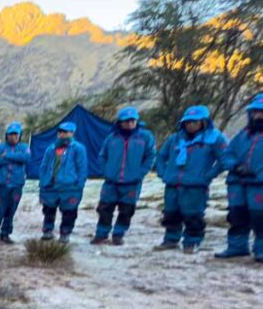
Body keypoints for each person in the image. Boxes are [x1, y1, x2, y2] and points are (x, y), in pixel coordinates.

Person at [155, 105, 228, 254]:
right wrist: (163, 173)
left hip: (196, 185)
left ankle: (192, 241)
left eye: (195, 122)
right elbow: (161, 157)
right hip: (173, 183)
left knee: (193, 215)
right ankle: (171, 239)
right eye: (187, 122)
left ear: (204, 122)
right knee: (171, 213)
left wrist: (208, 176)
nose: (190, 125)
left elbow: (224, 159)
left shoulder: (214, 138)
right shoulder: (175, 139)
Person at [92, 108, 156, 245]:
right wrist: (106, 171)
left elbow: (150, 156)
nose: (129, 123)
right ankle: (101, 234)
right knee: (104, 209)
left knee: (126, 210)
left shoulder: (145, 137)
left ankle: (118, 235)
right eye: (126, 121)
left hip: (132, 182)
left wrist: (140, 173)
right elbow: (102, 155)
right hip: (111, 182)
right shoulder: (112, 138)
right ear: (120, 122)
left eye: (132, 120)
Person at [217, 93, 263, 262]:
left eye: (262, 112)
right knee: (236, 215)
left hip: (259, 184)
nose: (258, 115)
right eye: (256, 112)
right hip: (237, 182)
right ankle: (237, 247)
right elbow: (226, 153)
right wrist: (236, 166)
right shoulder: (242, 135)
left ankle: (261, 249)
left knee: (260, 217)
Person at [38, 122, 88, 243]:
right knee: (48, 210)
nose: (62, 135)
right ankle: (47, 231)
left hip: (69, 187)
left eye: (66, 132)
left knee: (69, 212)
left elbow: (82, 168)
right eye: (60, 132)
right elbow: (44, 166)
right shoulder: (51, 148)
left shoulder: (78, 148)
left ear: (72, 133)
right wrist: (43, 182)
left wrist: (79, 185)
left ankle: (65, 233)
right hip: (51, 186)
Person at [0, 122, 31, 245]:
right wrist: (17, 158)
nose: (14, 137)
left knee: (11, 211)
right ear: (7, 135)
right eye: (11, 134)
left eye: (16, 134)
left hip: (17, 185)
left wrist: (7, 156)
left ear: (20, 135)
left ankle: (5, 234)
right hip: (0, 185)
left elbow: (27, 158)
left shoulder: (24, 147)